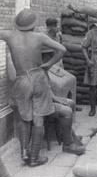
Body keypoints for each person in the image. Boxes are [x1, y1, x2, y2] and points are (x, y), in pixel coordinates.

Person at [0, 9, 66, 167]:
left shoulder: (9, 35)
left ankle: (24, 151)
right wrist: (48, 64)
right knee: (39, 117)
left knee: (24, 117)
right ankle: (35, 158)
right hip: (38, 78)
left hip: (21, 80)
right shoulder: (39, 36)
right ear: (33, 24)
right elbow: (62, 50)